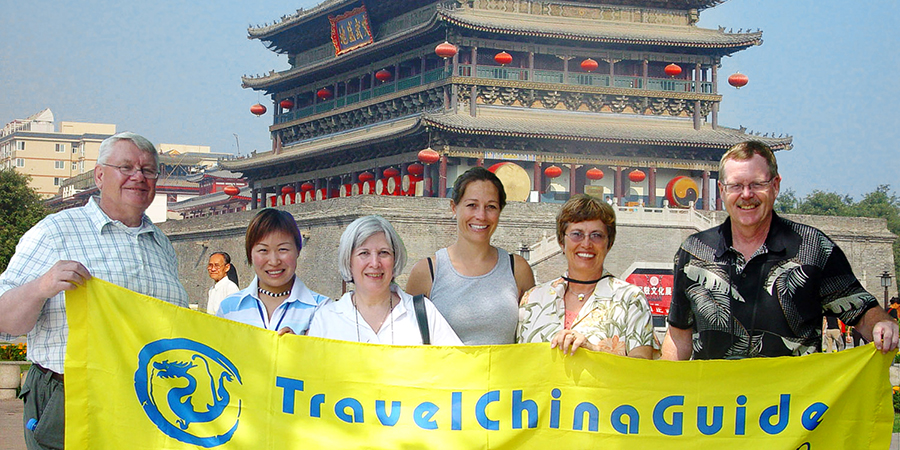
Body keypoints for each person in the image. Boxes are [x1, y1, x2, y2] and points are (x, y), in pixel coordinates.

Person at [0, 131, 189, 450]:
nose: (138, 177)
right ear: (100, 175)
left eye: (148, 170)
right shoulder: (55, 231)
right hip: (69, 397)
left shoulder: (162, 245)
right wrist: (41, 287)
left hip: (144, 403)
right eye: (126, 167)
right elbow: (4, 322)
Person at [662, 141, 899, 360]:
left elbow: (863, 311)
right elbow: (678, 334)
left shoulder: (812, 248)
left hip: (792, 403)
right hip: (716, 403)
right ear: (722, 190)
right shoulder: (694, 252)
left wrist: (883, 325)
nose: (746, 195)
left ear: (775, 186)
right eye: (736, 186)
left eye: (757, 184)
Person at [405, 166, 535, 344]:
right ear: (454, 207)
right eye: (471, 205)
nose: (481, 215)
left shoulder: (517, 269)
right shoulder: (426, 272)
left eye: (491, 207)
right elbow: (408, 342)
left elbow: (533, 336)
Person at [517, 195, 654, 358]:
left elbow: (642, 368)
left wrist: (594, 351)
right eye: (577, 234)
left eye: (596, 235)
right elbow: (520, 362)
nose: (586, 244)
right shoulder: (533, 299)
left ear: (608, 244)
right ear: (562, 242)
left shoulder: (630, 299)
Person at [308, 215, 461, 345]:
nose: (375, 263)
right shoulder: (327, 318)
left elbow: (455, 367)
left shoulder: (422, 313)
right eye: (364, 253)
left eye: (383, 253)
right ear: (349, 261)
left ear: (395, 260)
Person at [217, 208, 326, 335]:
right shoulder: (229, 308)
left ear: (298, 250)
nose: (274, 261)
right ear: (250, 253)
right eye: (263, 250)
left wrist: (300, 348)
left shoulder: (322, 309)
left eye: (283, 249)